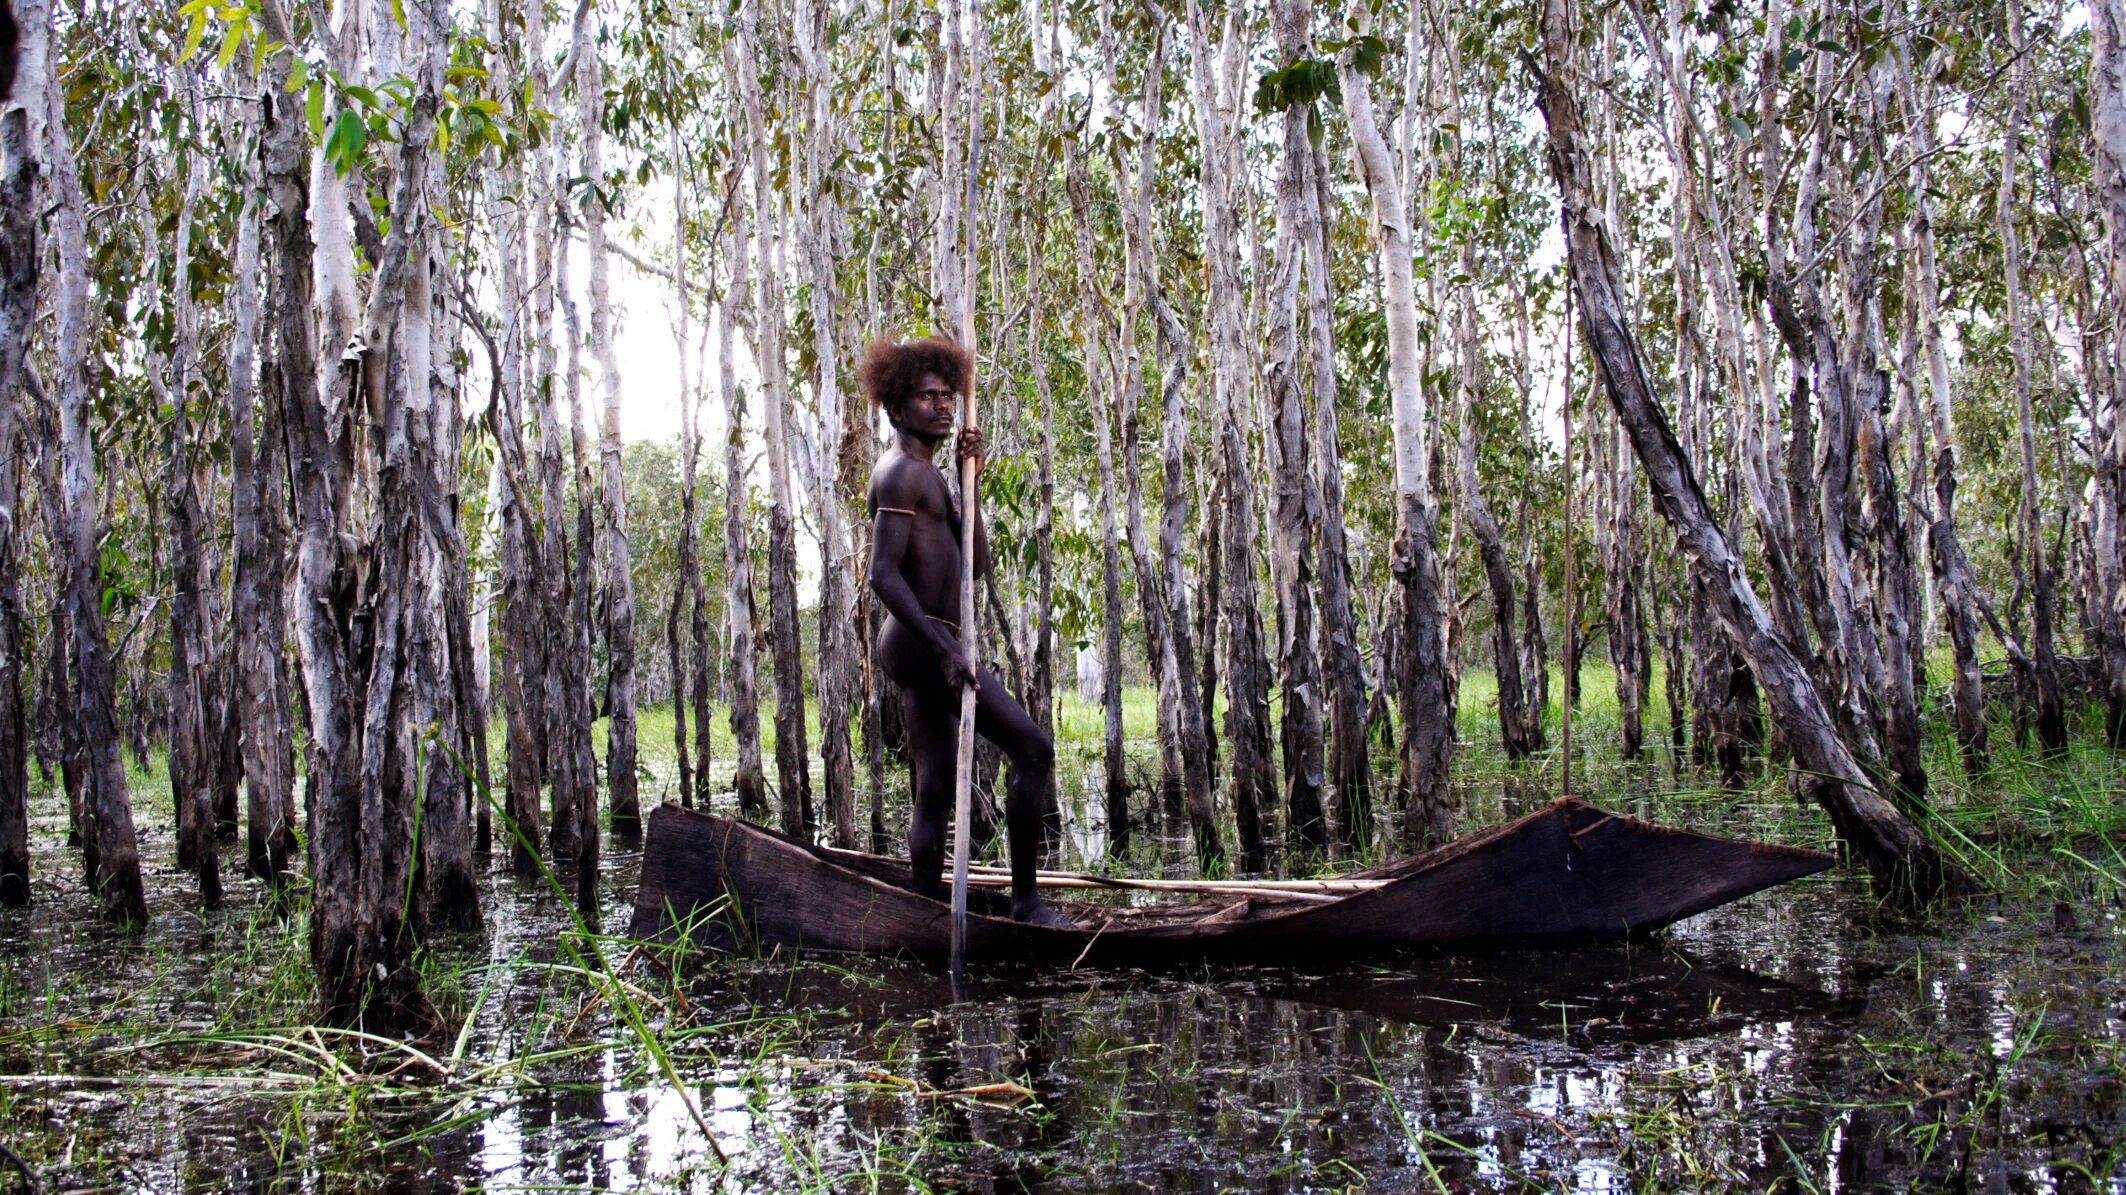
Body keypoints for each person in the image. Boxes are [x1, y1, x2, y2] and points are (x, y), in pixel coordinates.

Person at [861, 335, 1073, 928]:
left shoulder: (933, 473)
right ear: (897, 407)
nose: (944, 406)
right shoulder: (901, 472)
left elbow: (974, 564)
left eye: (948, 396)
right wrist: (945, 648)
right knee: (1033, 749)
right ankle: (1026, 902)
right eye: (928, 397)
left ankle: (926, 911)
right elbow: (881, 575)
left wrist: (968, 477)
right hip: (922, 643)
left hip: (930, 642)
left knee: (934, 787)